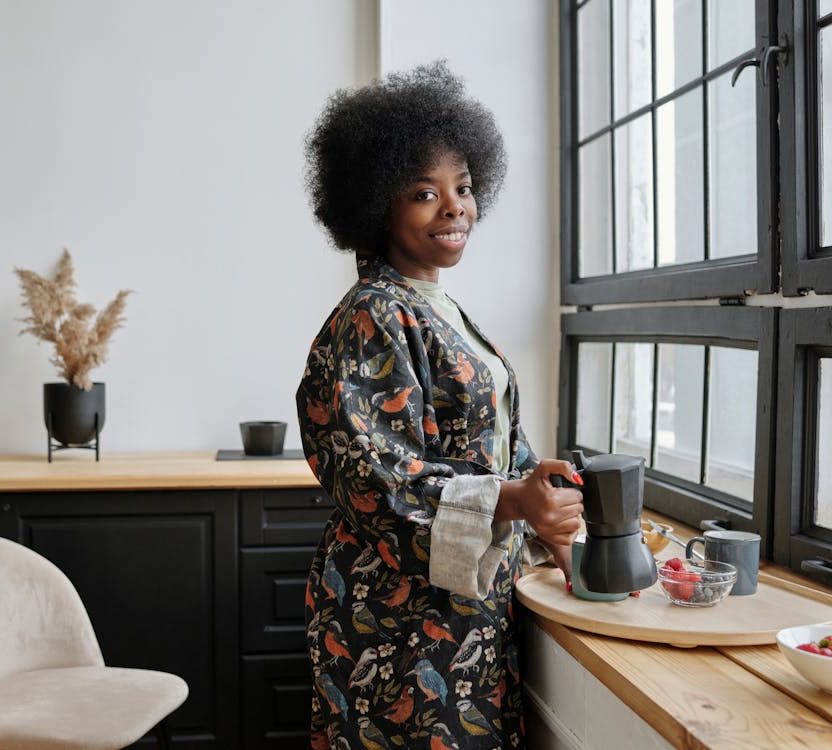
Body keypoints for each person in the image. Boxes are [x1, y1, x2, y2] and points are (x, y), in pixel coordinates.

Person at [296, 61, 584, 749]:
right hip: (391, 617)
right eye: (425, 193)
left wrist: (553, 519)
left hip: (461, 606)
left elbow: (490, 443)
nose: (455, 207)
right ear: (376, 206)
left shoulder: (440, 308)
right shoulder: (372, 316)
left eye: (464, 187)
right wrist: (513, 501)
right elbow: (375, 477)